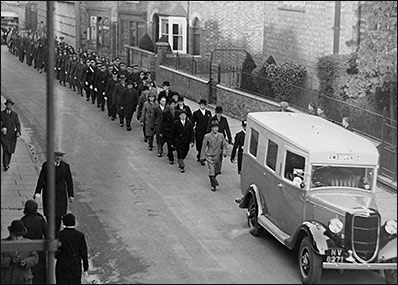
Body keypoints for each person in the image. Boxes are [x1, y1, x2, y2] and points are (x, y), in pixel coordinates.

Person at [33, 151, 74, 233]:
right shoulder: (46, 165)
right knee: (49, 215)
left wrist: (71, 195)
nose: (58, 158)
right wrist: (37, 192)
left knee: (58, 217)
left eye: (60, 156)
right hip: (49, 195)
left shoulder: (65, 167)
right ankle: (51, 233)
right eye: (57, 156)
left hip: (60, 196)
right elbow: (41, 179)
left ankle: (55, 233)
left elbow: (69, 181)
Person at [1, 220, 39, 284]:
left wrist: (26, 262)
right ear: (11, 233)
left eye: (20, 236)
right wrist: (10, 261)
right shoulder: (3, 244)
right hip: (7, 280)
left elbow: (35, 258)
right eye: (16, 236)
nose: (18, 238)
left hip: (24, 279)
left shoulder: (29, 243)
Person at [55, 213, 89, 285]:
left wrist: (58, 256)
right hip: (75, 264)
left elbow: (55, 251)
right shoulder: (79, 235)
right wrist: (85, 266)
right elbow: (83, 252)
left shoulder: (59, 235)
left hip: (62, 264)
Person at [21, 200, 48, 284]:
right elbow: (47, 234)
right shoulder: (41, 220)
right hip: (39, 247)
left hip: (27, 248)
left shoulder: (23, 221)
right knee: (40, 270)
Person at [200, 120, 229, 191]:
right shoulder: (207, 136)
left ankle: (212, 178)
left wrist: (225, 152)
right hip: (210, 156)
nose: (216, 129)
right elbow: (203, 147)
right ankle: (214, 185)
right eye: (214, 127)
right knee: (212, 170)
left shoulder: (221, 135)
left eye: (217, 127)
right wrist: (202, 156)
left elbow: (224, 145)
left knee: (217, 170)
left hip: (218, 156)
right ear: (211, 128)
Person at [171, 109, 194, 173]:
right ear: (179, 116)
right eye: (181, 115)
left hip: (186, 141)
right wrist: (172, 142)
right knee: (180, 152)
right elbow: (173, 133)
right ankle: (182, 166)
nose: (183, 117)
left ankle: (181, 159)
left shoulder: (189, 123)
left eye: (184, 115)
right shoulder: (176, 123)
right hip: (179, 141)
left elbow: (192, 133)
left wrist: (192, 141)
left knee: (185, 152)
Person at [1, 98, 21, 171]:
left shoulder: (15, 114)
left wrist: (18, 132)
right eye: (8, 105)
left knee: (10, 150)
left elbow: (17, 124)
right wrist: (2, 128)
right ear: (6, 105)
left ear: (12, 106)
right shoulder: (1, 114)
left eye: (10, 105)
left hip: (12, 135)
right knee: (5, 149)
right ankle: (5, 164)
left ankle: (8, 163)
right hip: (4, 135)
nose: (9, 106)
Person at [192, 99, 212, 165]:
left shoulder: (208, 113)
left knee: (204, 144)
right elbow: (193, 122)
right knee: (199, 144)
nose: (202, 106)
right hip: (199, 131)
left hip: (206, 131)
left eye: (203, 105)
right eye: (201, 105)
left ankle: (201, 157)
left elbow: (210, 122)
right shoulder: (196, 113)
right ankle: (200, 154)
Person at [160, 99, 178, 164]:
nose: (173, 106)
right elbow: (162, 123)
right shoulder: (165, 113)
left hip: (175, 132)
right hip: (168, 131)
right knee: (169, 144)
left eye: (174, 104)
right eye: (171, 104)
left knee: (174, 144)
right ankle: (171, 158)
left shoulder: (178, 112)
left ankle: (170, 154)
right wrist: (161, 132)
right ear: (169, 105)